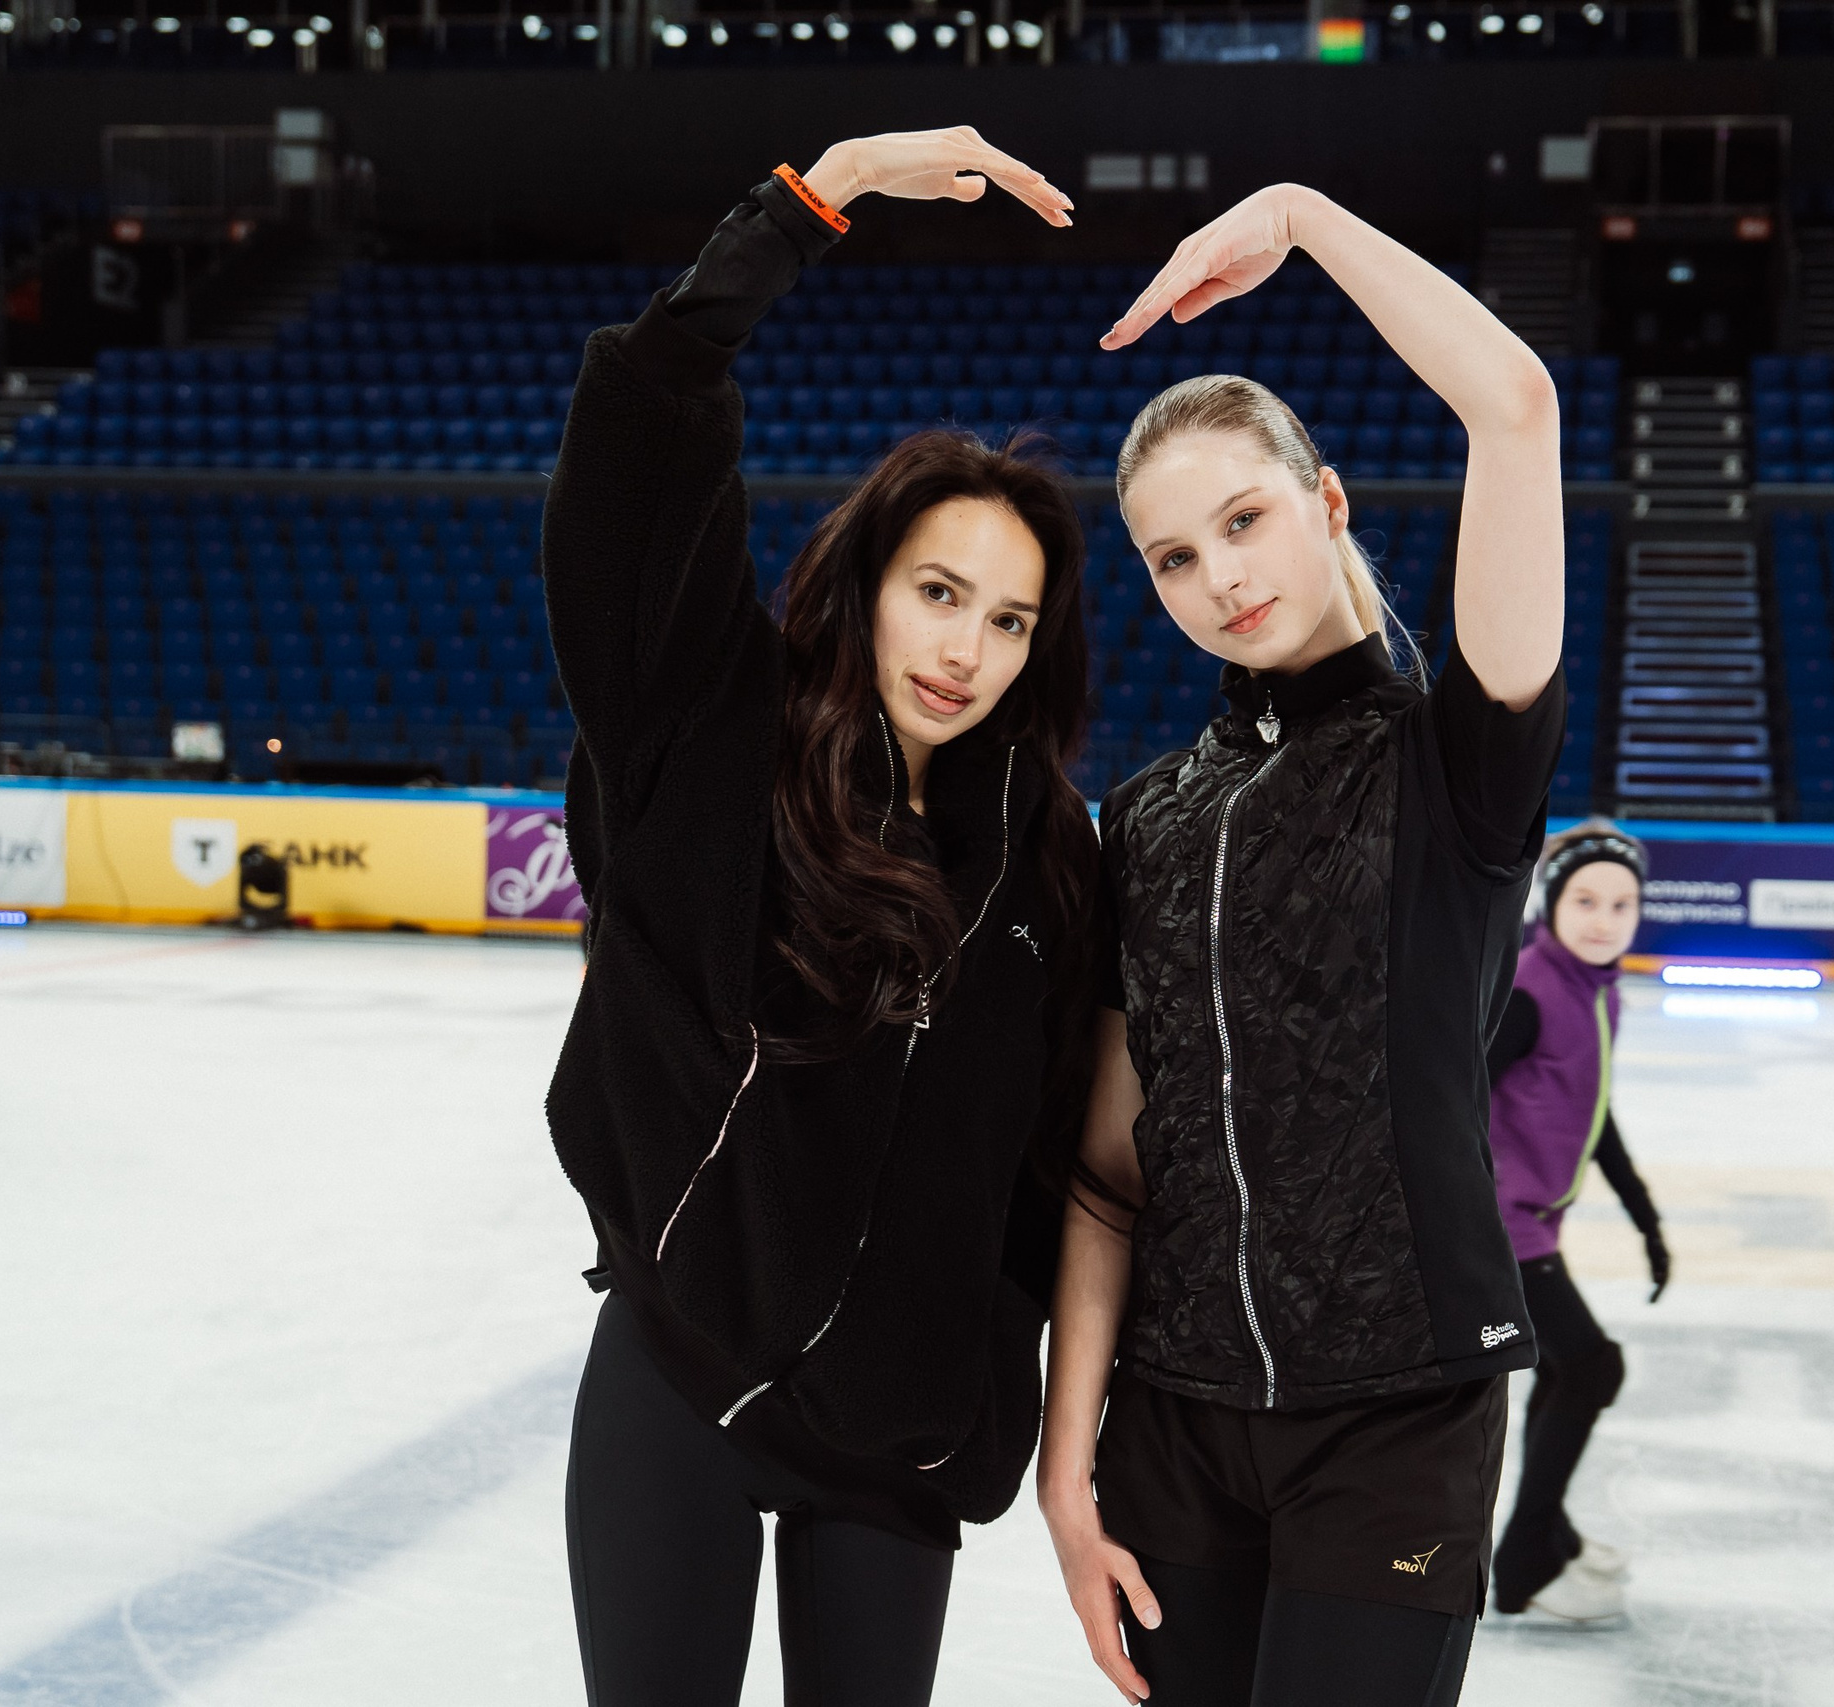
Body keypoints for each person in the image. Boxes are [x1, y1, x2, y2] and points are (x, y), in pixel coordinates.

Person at [541, 130, 1100, 1707]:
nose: (967, 646)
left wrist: (1007, 1397)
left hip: (898, 1431)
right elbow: (638, 448)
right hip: (680, 1375)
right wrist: (810, 203)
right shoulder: (706, 729)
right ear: (867, 576)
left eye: (1009, 618)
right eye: (940, 591)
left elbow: (1052, 1167)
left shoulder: (1049, 859)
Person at [1038, 181, 1566, 1707]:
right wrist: (1068, 1467)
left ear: (1327, 501)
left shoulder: (1456, 756)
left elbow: (1516, 407)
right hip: (1177, 1423)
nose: (1222, 579)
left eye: (1245, 518)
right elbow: (1109, 1171)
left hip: (1398, 1414)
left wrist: (1304, 219)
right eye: (1174, 557)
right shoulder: (1142, 819)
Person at [1482, 820, 1671, 1627]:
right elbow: (1456, 1089)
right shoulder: (1530, 987)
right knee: (1591, 1369)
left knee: (1567, 1372)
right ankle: (1524, 1557)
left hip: (1536, 1221)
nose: (1604, 918)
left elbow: (1596, 1111)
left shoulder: (1595, 987)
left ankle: (1545, 1531)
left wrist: (1645, 1216)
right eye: (1586, 900)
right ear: (1553, 901)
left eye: (1622, 903)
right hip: (1501, 1224)